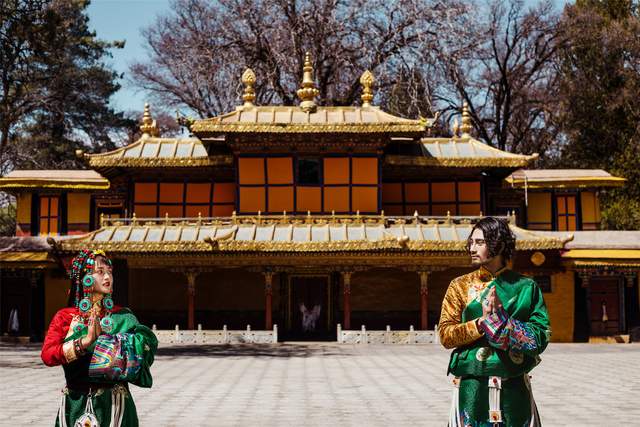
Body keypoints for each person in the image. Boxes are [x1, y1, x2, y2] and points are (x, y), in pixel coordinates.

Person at [438, 217, 551, 426]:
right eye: (471, 242)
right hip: (472, 385)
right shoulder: (459, 286)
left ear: (499, 244)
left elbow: (540, 338)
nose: (472, 248)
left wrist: (505, 325)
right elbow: (445, 335)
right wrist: (481, 324)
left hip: (514, 383)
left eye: (479, 242)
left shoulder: (526, 287)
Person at [41, 249, 158, 427]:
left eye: (110, 272)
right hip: (76, 403)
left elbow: (145, 352)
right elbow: (47, 355)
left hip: (115, 404)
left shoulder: (124, 316)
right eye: (100, 272)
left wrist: (121, 344)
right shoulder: (65, 317)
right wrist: (84, 343)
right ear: (84, 277)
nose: (107, 277)